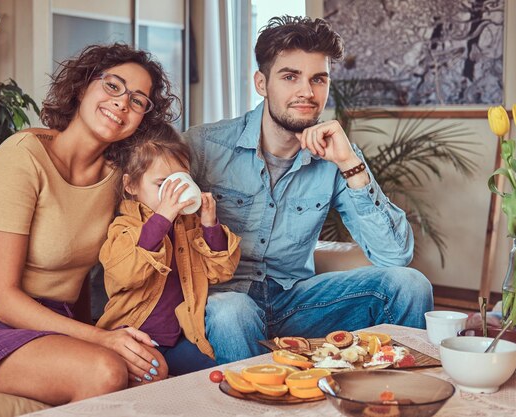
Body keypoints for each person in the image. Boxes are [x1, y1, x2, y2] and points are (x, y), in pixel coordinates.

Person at [0, 43, 178, 404]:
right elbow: (3, 301)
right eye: (113, 86)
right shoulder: (23, 157)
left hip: (55, 320)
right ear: (81, 87)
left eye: (138, 100)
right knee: (105, 370)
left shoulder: (119, 179)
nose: (122, 103)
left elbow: (79, 278)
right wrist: (100, 340)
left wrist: (102, 331)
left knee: (153, 370)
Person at [183, 16, 434, 364]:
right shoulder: (203, 146)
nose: (307, 92)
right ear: (261, 82)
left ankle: (391, 399)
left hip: (296, 301)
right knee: (232, 310)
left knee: (410, 285)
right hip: (224, 299)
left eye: (318, 79)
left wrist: (350, 163)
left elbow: (394, 256)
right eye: (290, 77)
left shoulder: (337, 155)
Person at [96, 123, 241, 375]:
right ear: (131, 186)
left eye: (182, 181)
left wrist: (210, 225)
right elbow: (123, 274)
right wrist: (161, 218)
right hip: (132, 333)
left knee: (217, 376)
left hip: (178, 339)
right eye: (163, 185)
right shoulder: (124, 226)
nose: (174, 195)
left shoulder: (189, 225)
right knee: (154, 372)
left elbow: (221, 272)